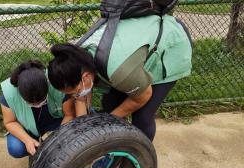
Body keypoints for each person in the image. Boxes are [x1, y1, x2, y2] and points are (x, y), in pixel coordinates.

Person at [48, 14, 192, 141]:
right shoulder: (76, 57)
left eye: (75, 92)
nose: (75, 96)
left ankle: (142, 162)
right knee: (110, 103)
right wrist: (83, 134)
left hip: (170, 44)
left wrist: (109, 121)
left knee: (142, 117)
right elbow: (82, 103)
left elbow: (143, 96)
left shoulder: (117, 71)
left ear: (85, 76)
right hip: (131, 49)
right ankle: (119, 143)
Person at [0, 60, 75, 158]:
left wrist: (58, 137)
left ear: (47, 84)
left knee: (70, 139)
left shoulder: (56, 81)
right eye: (31, 103)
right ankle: (34, 146)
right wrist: (27, 140)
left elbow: (69, 114)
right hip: (28, 129)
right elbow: (10, 122)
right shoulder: (9, 94)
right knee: (16, 148)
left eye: (42, 100)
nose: (38, 104)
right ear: (18, 90)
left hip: (56, 123)